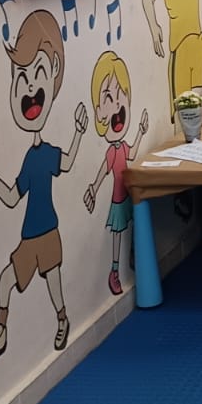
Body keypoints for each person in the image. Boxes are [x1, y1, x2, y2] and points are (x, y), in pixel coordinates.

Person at [0, 10, 88, 366]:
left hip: (48, 231)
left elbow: (68, 162)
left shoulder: (48, 154)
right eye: (21, 78)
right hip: (28, 236)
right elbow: (12, 197)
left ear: (54, 73)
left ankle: (62, 319)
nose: (30, 91)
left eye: (37, 74)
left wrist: (79, 133)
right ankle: (1, 330)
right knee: (5, 280)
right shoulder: (30, 158)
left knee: (54, 285)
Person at [84, 51, 148, 295]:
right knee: (118, 233)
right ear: (99, 112)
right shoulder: (112, 151)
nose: (117, 105)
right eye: (109, 98)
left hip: (129, 192)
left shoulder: (122, 147)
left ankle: (133, 256)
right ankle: (114, 269)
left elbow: (133, 154)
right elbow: (103, 171)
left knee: (134, 225)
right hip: (118, 199)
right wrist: (93, 187)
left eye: (121, 96)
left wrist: (140, 131)